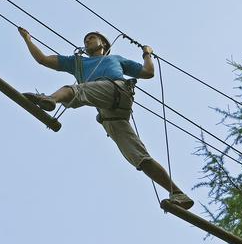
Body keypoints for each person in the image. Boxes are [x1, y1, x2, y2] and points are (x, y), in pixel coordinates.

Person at [18, 27, 194, 209]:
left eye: (91, 38)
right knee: (139, 157)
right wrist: (28, 39)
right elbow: (43, 59)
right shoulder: (77, 63)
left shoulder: (115, 59)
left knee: (77, 90)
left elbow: (148, 72)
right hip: (109, 113)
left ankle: (50, 99)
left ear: (103, 43)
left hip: (117, 90)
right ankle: (178, 193)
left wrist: (147, 53)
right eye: (85, 40)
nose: (87, 42)